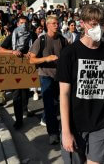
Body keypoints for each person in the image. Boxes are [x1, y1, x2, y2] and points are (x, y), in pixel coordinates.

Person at [57, 4, 104, 164]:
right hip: (75, 124)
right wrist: (66, 132)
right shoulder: (69, 53)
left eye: (101, 24)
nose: (98, 28)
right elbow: (64, 93)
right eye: (93, 24)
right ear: (82, 23)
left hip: (100, 123)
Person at [29, 15, 68, 145]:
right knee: (49, 104)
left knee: (57, 103)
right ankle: (53, 133)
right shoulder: (41, 40)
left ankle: (48, 121)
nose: (57, 25)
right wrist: (46, 59)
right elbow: (31, 59)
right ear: (48, 25)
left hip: (60, 76)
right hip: (45, 75)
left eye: (58, 23)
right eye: (54, 23)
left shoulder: (62, 40)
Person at [0, 16, 34, 129]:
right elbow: (1, 50)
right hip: (14, 68)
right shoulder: (12, 35)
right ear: (17, 24)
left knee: (25, 92)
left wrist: (31, 52)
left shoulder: (32, 34)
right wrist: (13, 51)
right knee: (17, 94)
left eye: (26, 23)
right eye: (21, 23)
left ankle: (24, 110)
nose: (24, 25)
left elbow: (35, 47)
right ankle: (18, 120)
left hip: (26, 67)